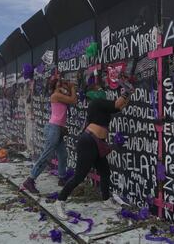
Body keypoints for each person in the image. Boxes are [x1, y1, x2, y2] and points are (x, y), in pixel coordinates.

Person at [54, 78, 134, 220]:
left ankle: (106, 200)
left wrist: (129, 93)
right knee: (79, 176)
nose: (102, 90)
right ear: (93, 92)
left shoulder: (100, 106)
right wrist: (127, 91)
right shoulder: (97, 103)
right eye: (99, 89)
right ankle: (60, 201)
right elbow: (117, 103)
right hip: (89, 142)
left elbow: (119, 107)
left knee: (105, 172)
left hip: (98, 142)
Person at [21, 78, 77, 194]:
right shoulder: (56, 95)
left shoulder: (59, 95)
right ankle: (30, 180)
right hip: (53, 129)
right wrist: (72, 87)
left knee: (62, 154)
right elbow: (73, 100)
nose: (63, 87)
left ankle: (62, 177)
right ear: (56, 86)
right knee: (46, 156)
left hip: (58, 128)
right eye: (61, 84)